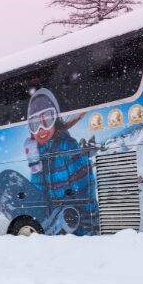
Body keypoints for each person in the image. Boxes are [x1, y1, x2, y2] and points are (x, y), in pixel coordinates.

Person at [25, 88, 96, 234]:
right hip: (59, 229)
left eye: (47, 120)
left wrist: (89, 229)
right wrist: (34, 161)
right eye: (35, 124)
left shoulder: (68, 148)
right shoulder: (38, 153)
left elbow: (86, 193)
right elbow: (40, 196)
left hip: (78, 228)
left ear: (55, 119)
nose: (41, 130)